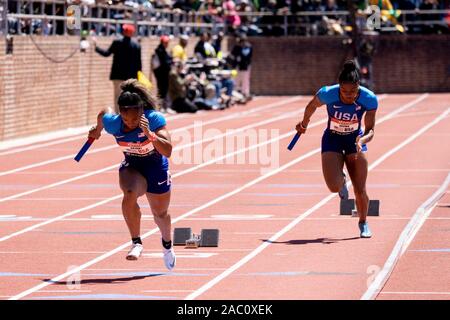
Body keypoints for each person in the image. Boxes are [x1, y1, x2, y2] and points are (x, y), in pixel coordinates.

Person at [87, 79, 176, 270]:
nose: (130, 124)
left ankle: (167, 246)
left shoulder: (154, 119)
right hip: (132, 166)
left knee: (160, 214)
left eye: (134, 120)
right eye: (126, 120)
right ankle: (136, 242)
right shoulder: (114, 123)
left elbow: (168, 150)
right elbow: (104, 113)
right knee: (128, 194)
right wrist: (97, 129)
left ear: (142, 113)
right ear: (120, 115)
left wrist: (149, 133)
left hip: (155, 167)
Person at [294, 60, 378, 238]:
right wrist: (304, 124)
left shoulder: (369, 98)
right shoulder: (327, 93)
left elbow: (371, 131)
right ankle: (341, 182)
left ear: (359, 87)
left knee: (360, 188)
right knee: (333, 187)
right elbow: (311, 106)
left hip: (355, 141)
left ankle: (363, 222)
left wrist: (362, 139)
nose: (349, 96)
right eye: (344, 91)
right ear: (339, 87)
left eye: (353, 92)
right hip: (332, 139)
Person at [93, 24, 142, 113]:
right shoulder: (137, 45)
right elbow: (138, 64)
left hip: (118, 75)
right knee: (130, 97)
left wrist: (96, 47)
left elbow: (106, 53)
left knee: (118, 97)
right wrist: (137, 78)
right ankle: (130, 116)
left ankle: (119, 116)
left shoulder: (117, 42)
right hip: (131, 77)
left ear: (123, 32)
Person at [230, 34, 253, 101]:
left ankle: (245, 94)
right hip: (236, 67)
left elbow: (246, 56)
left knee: (245, 81)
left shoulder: (248, 47)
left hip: (245, 67)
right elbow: (232, 55)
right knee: (235, 80)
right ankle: (235, 94)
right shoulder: (236, 47)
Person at [152, 35, 173, 110]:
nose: (167, 44)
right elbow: (164, 62)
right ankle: (160, 107)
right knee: (161, 89)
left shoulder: (163, 50)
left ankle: (163, 106)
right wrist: (170, 62)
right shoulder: (159, 50)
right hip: (161, 73)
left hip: (164, 73)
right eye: (166, 42)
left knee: (164, 89)